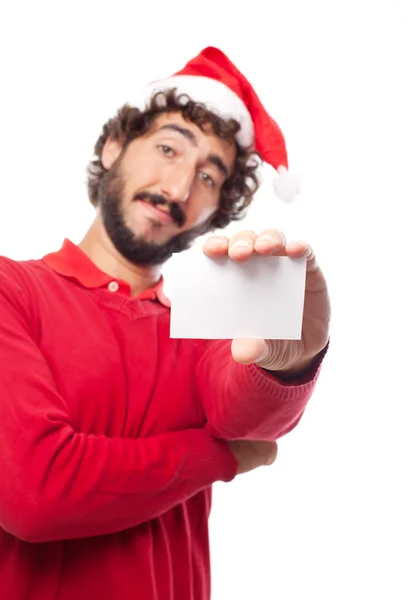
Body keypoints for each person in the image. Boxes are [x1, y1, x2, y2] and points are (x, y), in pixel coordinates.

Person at [0, 47, 330, 600]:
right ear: (113, 147)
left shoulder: (204, 331)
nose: (178, 189)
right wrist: (216, 456)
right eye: (168, 149)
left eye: (208, 176)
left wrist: (289, 357)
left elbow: (244, 409)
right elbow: (35, 489)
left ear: (217, 211)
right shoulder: (12, 290)